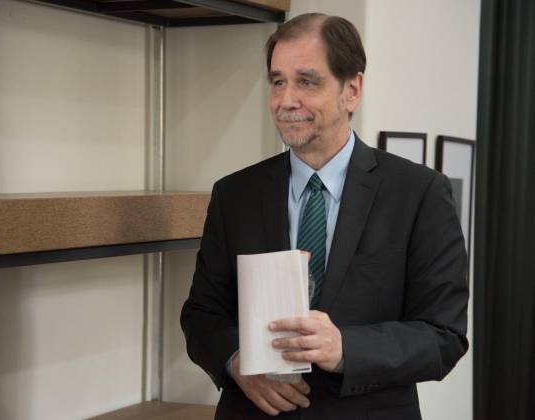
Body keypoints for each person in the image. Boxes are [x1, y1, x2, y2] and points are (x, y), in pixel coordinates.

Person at [181, 13, 468, 420]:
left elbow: (444, 335)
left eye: (306, 81)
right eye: (278, 82)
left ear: (352, 90)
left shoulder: (420, 193)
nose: (286, 100)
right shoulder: (234, 194)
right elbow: (201, 315)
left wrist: (345, 347)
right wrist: (237, 363)